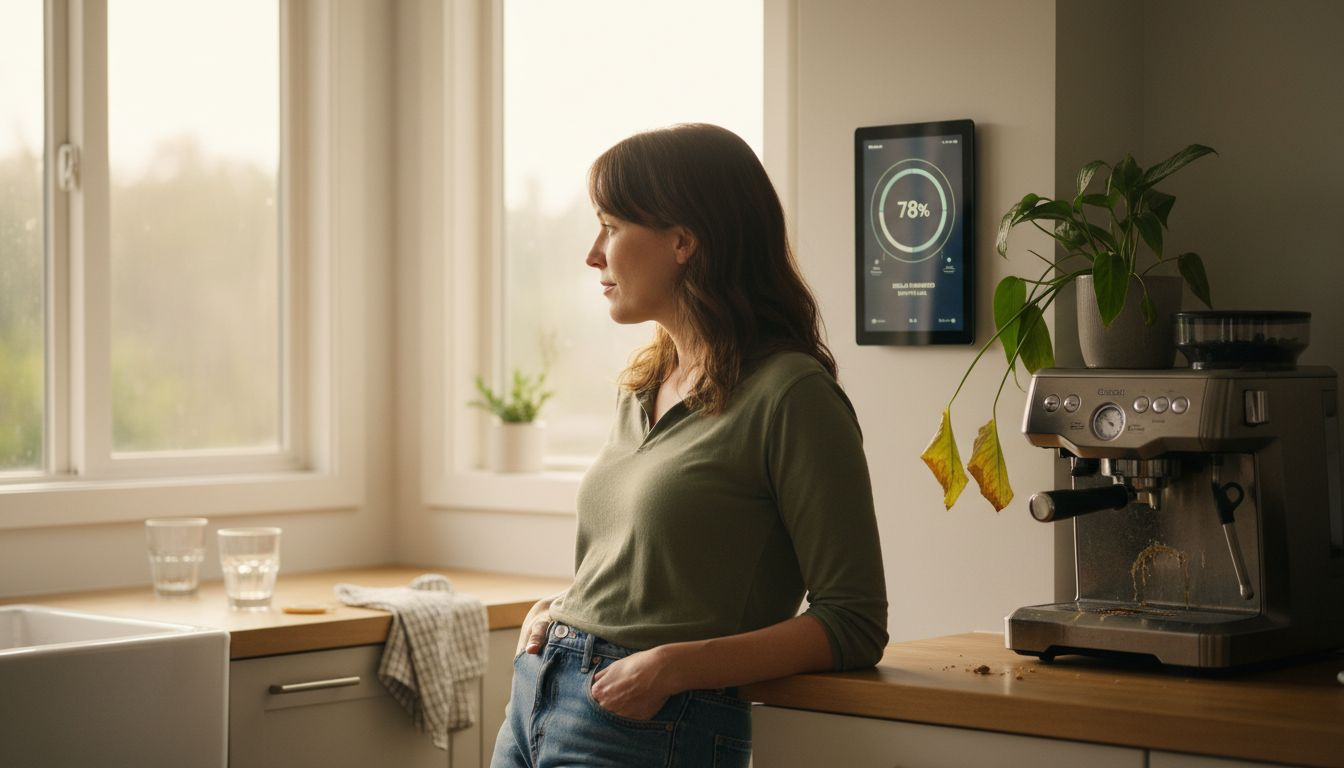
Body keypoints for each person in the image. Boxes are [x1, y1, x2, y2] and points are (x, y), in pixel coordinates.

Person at [490, 123, 887, 768]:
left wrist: (674, 668)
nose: (594, 254)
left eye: (612, 227)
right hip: (538, 697)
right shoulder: (644, 385)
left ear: (683, 241)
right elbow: (652, 571)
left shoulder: (792, 396)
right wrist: (563, 608)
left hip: (649, 723)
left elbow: (854, 622)